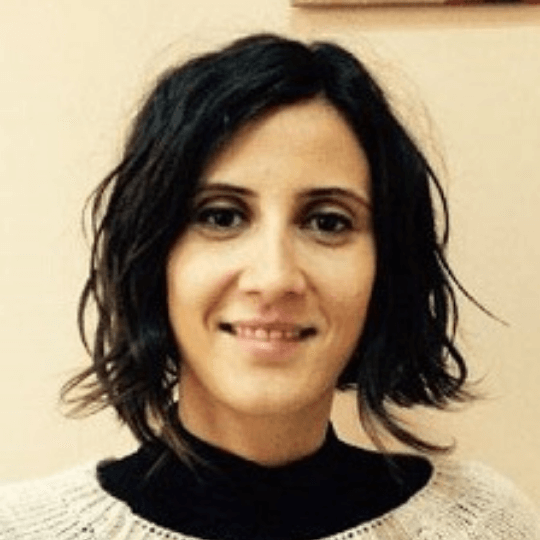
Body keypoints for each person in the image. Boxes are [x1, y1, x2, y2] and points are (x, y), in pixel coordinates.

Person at [0, 33, 538, 540]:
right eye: (221, 216)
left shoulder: (486, 526)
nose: (275, 278)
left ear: (387, 266)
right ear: (153, 253)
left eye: (328, 222)